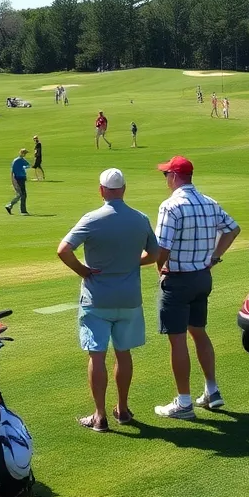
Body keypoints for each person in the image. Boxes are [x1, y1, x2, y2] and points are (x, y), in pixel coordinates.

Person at [57, 168, 160, 432]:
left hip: (97, 298)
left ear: (101, 190)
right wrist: (133, 262)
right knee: (123, 354)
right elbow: (155, 254)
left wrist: (83, 270)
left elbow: (64, 250)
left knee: (97, 355)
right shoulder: (140, 219)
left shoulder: (92, 219)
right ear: (124, 189)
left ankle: (100, 415)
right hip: (128, 298)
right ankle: (122, 409)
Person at [151, 156, 240, 420]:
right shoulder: (209, 202)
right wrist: (213, 257)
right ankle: (212, 391)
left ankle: (184, 402)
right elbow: (232, 229)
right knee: (198, 332)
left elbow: (162, 248)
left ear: (175, 177)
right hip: (202, 277)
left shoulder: (170, 206)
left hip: (178, 280)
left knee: (177, 339)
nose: (165, 178)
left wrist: (159, 267)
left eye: (166, 174)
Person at [6, 148, 32, 215]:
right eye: (25, 153)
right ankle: (23, 211)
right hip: (18, 179)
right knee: (23, 194)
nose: (25, 154)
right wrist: (13, 180)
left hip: (21, 178)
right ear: (21, 153)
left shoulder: (20, 160)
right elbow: (13, 171)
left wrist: (25, 168)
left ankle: (9, 206)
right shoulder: (18, 160)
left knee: (20, 195)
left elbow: (28, 165)